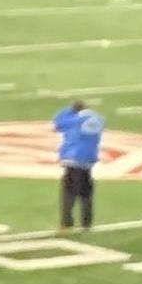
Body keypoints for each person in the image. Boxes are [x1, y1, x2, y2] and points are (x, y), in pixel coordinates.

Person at [56, 95, 104, 231]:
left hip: (72, 160)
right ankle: (86, 223)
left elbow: (58, 123)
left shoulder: (73, 120)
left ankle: (66, 223)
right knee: (86, 193)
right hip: (88, 161)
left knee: (68, 193)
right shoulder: (98, 119)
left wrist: (69, 110)